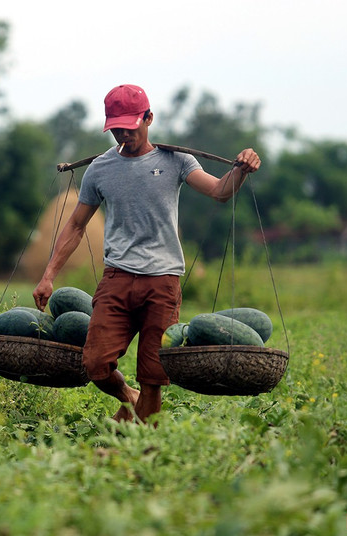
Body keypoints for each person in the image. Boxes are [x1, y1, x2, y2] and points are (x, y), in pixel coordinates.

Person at [32, 84, 261, 424]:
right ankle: (127, 397)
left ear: (149, 118)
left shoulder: (176, 161)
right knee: (94, 363)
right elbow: (76, 226)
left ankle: (137, 444)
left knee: (153, 375)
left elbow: (219, 191)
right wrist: (48, 275)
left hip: (163, 280)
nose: (124, 135)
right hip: (117, 279)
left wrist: (241, 169)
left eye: (130, 126)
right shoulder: (100, 169)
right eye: (116, 129)